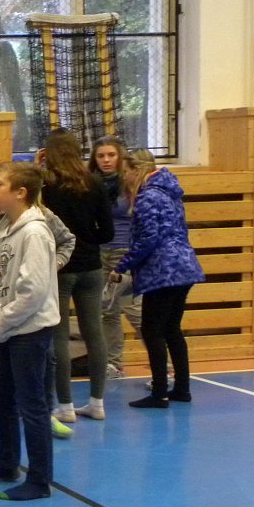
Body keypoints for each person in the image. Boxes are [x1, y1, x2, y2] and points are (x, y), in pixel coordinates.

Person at [0, 162, 60, 501]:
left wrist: (4, 319)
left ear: (21, 192)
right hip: (9, 329)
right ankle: (7, 463)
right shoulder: (7, 227)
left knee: (32, 404)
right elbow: (5, 280)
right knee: (1, 397)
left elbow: (32, 291)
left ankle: (39, 480)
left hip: (29, 330)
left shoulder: (34, 233)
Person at [0, 194, 77, 440]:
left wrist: (52, 265)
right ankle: (11, 440)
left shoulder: (42, 222)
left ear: (20, 192)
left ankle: (46, 414)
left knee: (45, 364)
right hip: (4, 308)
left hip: (31, 314)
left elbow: (68, 241)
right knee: (2, 386)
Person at [112, 155, 205, 408]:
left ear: (136, 170)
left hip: (163, 270)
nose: (124, 177)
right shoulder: (171, 192)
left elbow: (148, 239)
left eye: (126, 171)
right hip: (184, 265)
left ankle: (159, 392)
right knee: (172, 329)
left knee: (152, 331)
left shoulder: (148, 196)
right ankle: (182, 388)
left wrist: (122, 266)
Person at [39, 130, 114, 423]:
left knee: (58, 336)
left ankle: (65, 406)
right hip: (91, 266)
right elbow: (107, 232)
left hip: (59, 267)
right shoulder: (93, 182)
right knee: (94, 333)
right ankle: (97, 403)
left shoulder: (47, 185)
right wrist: (86, 240)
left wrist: (36, 166)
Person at [89, 135, 142, 382]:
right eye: (101, 156)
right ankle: (114, 363)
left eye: (111, 155)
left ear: (120, 157)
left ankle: (163, 363)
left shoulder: (129, 183)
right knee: (106, 311)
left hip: (124, 252)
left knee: (133, 308)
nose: (106, 160)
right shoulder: (91, 184)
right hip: (100, 251)